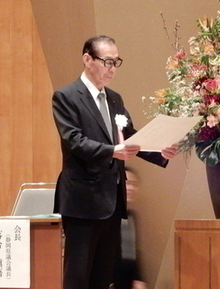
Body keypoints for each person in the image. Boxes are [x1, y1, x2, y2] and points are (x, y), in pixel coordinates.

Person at [52, 35, 177, 289]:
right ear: (87, 59)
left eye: (116, 62)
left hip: (112, 200)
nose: (111, 68)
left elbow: (129, 136)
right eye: (107, 61)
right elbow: (74, 141)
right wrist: (112, 151)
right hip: (82, 201)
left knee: (102, 275)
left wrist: (159, 151)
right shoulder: (66, 96)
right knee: (78, 276)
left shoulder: (114, 99)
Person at [111, 167, 147, 289]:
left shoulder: (132, 216)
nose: (131, 188)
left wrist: (138, 278)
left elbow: (132, 253)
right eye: (127, 183)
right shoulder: (107, 218)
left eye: (134, 184)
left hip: (127, 279)